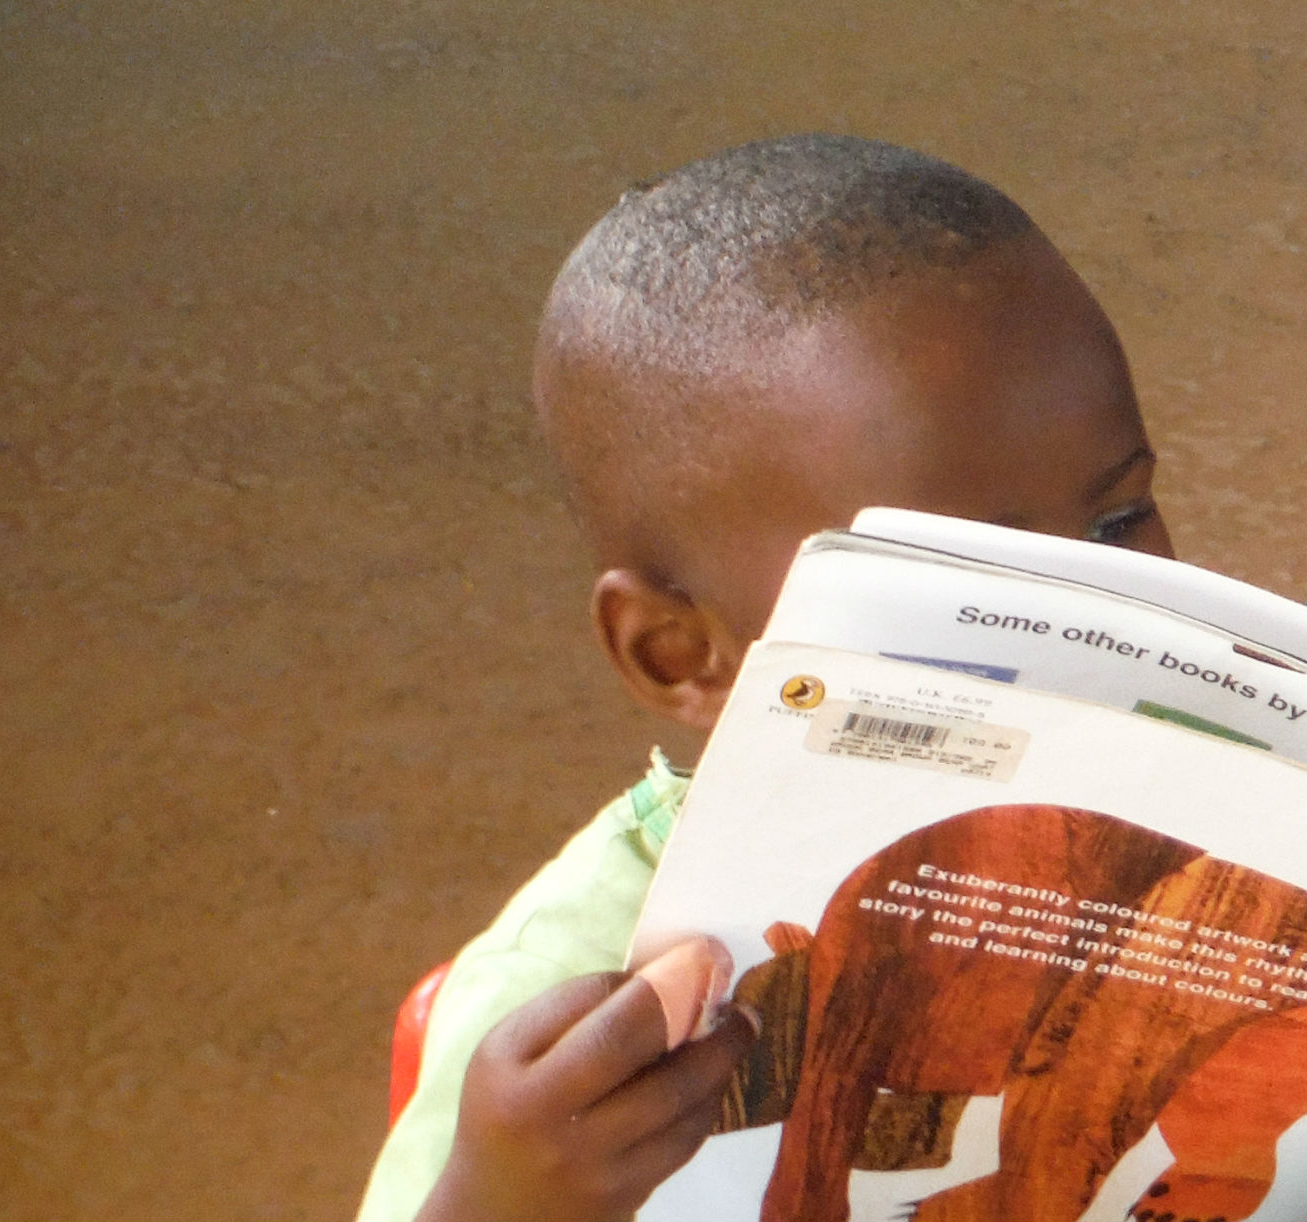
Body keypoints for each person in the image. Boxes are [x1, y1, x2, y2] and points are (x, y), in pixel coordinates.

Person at [357, 135, 1181, 1222]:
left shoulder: (1191, 799)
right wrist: (507, 1197)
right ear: (681, 654)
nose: (1092, 621)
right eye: (960, 589)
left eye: (1116, 520)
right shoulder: (582, 989)